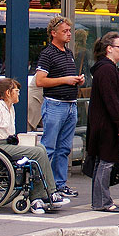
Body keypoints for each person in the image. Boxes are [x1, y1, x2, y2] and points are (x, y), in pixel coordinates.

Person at [0, 79, 69, 214]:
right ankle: (44, 195)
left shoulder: (9, 107)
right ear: (7, 92)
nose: (19, 94)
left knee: (40, 148)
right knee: (37, 153)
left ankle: (48, 192)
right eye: (16, 91)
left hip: (6, 143)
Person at [34, 17, 85, 199]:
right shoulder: (48, 53)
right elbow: (40, 81)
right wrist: (65, 80)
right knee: (49, 147)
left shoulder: (68, 53)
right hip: (55, 104)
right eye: (65, 31)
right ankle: (42, 186)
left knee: (64, 148)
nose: (69, 34)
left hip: (70, 104)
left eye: (70, 31)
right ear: (53, 33)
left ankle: (60, 184)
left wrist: (78, 80)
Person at [86, 32, 119, 213]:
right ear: (109, 49)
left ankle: (99, 200)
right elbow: (111, 100)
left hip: (102, 122)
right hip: (106, 124)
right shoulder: (107, 70)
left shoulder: (105, 68)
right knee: (106, 162)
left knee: (101, 162)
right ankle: (103, 201)